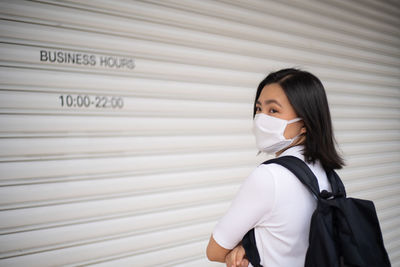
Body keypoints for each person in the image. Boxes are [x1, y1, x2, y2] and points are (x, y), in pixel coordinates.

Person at [206, 68, 344, 267]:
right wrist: (252, 246)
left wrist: (242, 250)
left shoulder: (269, 176)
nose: (261, 118)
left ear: (304, 122)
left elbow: (215, 251)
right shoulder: (326, 174)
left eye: (273, 110)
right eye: (259, 108)